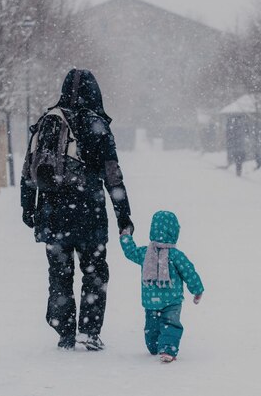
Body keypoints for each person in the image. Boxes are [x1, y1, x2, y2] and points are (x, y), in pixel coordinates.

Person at [21, 69, 134, 351]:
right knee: (95, 271)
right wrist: (124, 216)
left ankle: (64, 331)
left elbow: (29, 168)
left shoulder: (48, 121)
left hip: (52, 213)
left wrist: (28, 207)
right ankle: (89, 330)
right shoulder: (97, 125)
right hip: (89, 214)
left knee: (59, 273)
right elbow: (113, 176)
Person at [119, 210, 204, 363]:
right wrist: (197, 290)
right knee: (170, 324)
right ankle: (167, 349)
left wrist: (126, 237)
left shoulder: (146, 253)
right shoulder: (176, 255)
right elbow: (189, 272)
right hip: (172, 300)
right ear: (174, 232)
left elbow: (130, 252)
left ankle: (156, 347)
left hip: (151, 300)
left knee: (152, 326)